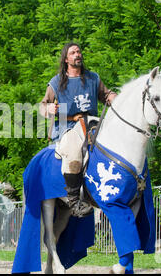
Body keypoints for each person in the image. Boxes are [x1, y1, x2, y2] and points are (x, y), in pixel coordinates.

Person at [39, 42, 117, 217]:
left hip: (93, 124)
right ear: (66, 59)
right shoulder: (56, 82)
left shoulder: (92, 78)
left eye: (79, 51)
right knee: (74, 151)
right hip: (68, 127)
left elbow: (106, 95)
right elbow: (43, 105)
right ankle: (74, 200)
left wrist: (118, 98)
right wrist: (48, 109)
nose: (77, 54)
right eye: (73, 52)